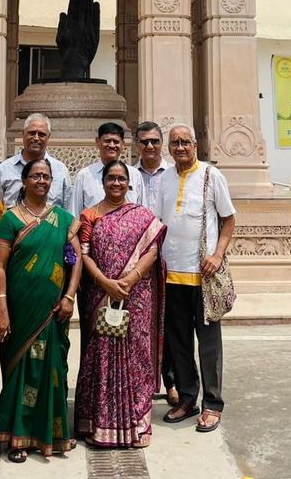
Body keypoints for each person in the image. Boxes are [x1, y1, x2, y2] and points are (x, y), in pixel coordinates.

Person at [0, 158, 82, 463]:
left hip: (53, 310)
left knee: (51, 371)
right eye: (36, 176)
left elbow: (75, 260)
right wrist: (1, 307)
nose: (42, 181)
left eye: (46, 176)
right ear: (24, 181)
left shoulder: (64, 219)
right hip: (19, 309)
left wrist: (69, 296)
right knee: (19, 371)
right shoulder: (10, 219)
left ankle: (51, 435)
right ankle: (16, 436)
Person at [75, 160, 166, 448]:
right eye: (111, 178)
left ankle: (136, 423)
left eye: (121, 179)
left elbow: (152, 250)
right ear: (103, 182)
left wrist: (131, 279)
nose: (116, 183)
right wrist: (105, 282)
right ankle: (97, 422)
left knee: (135, 356)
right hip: (99, 295)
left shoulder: (143, 216)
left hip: (135, 296)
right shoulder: (89, 216)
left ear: (129, 183)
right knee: (99, 355)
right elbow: (84, 254)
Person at [157, 125, 235, 434]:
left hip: (204, 275)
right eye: (174, 143)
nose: (179, 148)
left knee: (209, 345)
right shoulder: (165, 177)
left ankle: (212, 404)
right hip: (171, 274)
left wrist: (216, 255)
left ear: (196, 145)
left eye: (184, 142)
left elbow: (229, 219)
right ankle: (187, 398)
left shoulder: (211, 176)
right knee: (178, 343)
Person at [134, 120, 176, 407]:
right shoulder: (127, 175)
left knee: (170, 322)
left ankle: (172, 381)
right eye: (144, 142)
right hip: (136, 259)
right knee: (137, 325)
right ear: (137, 145)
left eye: (154, 141)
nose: (150, 146)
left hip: (169, 256)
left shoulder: (174, 175)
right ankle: (139, 382)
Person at [0, 113, 71, 209]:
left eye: (41, 134)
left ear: (48, 137)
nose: (36, 138)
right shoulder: (3, 170)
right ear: (23, 134)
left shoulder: (60, 170)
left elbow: (68, 210)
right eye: (32, 133)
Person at [69, 121, 143, 217]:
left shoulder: (134, 174)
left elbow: (142, 213)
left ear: (123, 144)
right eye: (107, 141)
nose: (112, 145)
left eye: (116, 142)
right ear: (97, 142)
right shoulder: (84, 175)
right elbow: (74, 214)